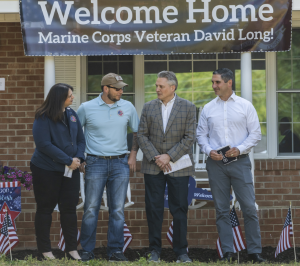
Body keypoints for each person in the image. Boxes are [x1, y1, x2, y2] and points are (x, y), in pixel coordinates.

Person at [197, 68, 266, 263]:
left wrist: (240, 148)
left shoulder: (245, 106)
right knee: (221, 209)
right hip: (215, 164)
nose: (213, 86)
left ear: (229, 83)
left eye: (217, 82)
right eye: (213, 82)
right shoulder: (208, 108)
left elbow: (255, 134)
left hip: (240, 162)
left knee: (249, 207)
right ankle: (227, 252)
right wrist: (208, 150)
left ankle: (254, 252)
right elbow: (201, 134)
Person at [77, 73, 139, 262]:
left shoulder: (128, 107)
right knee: (91, 208)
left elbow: (137, 132)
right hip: (95, 163)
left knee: (118, 209)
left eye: (122, 88)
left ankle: (115, 250)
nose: (121, 91)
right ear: (105, 89)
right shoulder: (86, 108)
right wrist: (80, 157)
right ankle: (87, 250)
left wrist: (133, 155)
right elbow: (75, 135)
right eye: (117, 88)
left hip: (120, 163)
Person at [137, 71, 196, 263]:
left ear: (173, 87)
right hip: (153, 166)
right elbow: (142, 135)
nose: (157, 89)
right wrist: (157, 158)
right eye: (156, 86)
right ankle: (154, 251)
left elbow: (189, 137)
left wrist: (169, 156)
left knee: (179, 208)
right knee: (153, 209)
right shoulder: (148, 107)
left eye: (161, 86)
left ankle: (181, 252)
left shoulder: (188, 107)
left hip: (179, 166)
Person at [30, 83, 85, 260]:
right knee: (45, 208)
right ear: (59, 97)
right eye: (70, 95)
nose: (73, 98)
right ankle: (44, 251)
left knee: (69, 209)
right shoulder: (43, 116)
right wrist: (68, 161)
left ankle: (71, 249)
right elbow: (44, 144)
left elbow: (80, 140)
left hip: (71, 169)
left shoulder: (72, 114)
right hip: (46, 169)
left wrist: (78, 159)